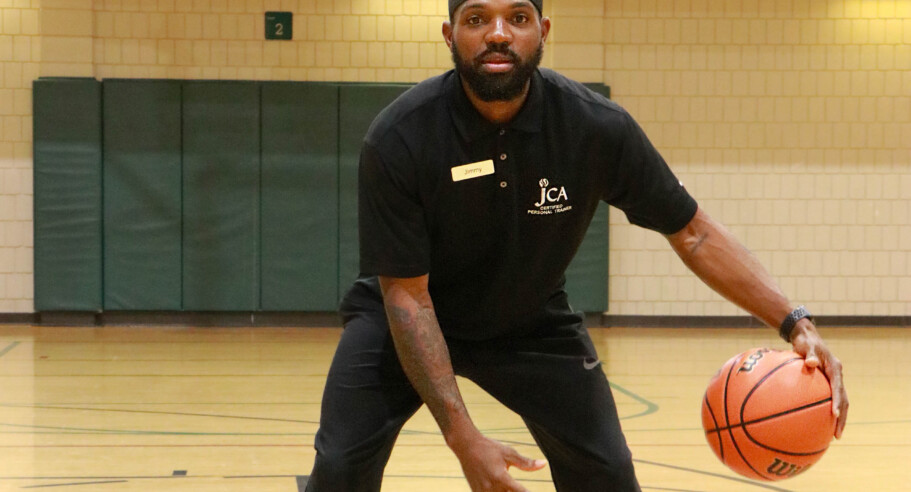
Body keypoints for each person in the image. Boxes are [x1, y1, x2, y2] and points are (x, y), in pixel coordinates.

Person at [306, 0, 849, 490]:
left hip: (529, 322)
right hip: (405, 316)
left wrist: (794, 320)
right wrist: (462, 435)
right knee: (339, 471)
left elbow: (694, 230)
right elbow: (407, 297)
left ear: (542, 31)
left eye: (517, 18)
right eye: (476, 19)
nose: (498, 34)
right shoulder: (400, 136)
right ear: (449, 34)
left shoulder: (593, 126)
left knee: (607, 474)